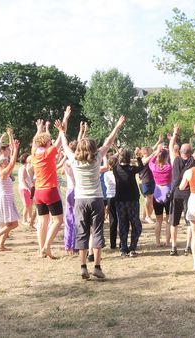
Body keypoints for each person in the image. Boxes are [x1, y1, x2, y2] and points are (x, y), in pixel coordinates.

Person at [57, 115, 125, 280]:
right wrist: (117, 126)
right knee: (97, 232)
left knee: (82, 232)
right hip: (96, 200)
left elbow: (65, 145)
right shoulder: (97, 159)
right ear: (94, 148)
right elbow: (108, 141)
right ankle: (97, 267)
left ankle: (82, 267)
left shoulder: (73, 160)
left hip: (80, 200)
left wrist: (61, 132)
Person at [31, 106, 71, 258]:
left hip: (39, 192)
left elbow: (35, 143)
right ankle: (46, 247)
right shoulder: (48, 153)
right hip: (50, 190)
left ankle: (42, 249)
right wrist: (65, 121)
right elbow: (61, 139)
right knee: (58, 220)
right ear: (47, 142)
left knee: (42, 222)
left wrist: (39, 129)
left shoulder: (35, 153)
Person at [168, 124, 195, 256]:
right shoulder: (194, 161)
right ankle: (188, 246)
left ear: (181, 152)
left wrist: (175, 133)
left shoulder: (175, 159)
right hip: (189, 194)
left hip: (176, 193)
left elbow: (171, 146)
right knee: (189, 221)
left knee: (174, 222)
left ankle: (173, 247)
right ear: (191, 153)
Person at [0, 139, 21, 251]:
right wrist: (16, 149)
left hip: (7, 198)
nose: (7, 163)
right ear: (1, 165)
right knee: (14, 224)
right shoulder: (2, 173)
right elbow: (12, 163)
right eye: (5, 162)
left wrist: (13, 149)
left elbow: (11, 162)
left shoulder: (4, 173)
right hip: (5, 199)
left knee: (9, 224)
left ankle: (2, 245)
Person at [113, 148, 145, 257]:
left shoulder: (115, 169)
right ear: (128, 159)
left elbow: (112, 160)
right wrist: (138, 157)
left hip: (120, 200)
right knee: (136, 224)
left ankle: (123, 248)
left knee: (122, 224)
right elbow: (141, 167)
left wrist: (117, 153)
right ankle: (132, 248)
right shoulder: (131, 169)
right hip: (132, 200)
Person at [148, 141, 172, 247]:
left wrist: (157, 152)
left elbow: (151, 160)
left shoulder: (154, 167)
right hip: (167, 192)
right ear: (167, 157)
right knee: (168, 220)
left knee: (158, 221)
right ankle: (167, 242)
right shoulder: (169, 168)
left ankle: (157, 242)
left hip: (157, 194)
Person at [103, 155, 118, 249]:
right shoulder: (117, 173)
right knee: (120, 220)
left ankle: (113, 244)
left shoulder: (106, 174)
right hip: (117, 196)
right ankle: (121, 243)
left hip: (110, 197)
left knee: (113, 221)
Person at [17, 153, 36, 228]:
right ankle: (24, 220)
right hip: (24, 189)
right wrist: (28, 188)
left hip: (29, 188)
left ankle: (29, 218)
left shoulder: (28, 167)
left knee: (30, 204)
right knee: (27, 205)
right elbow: (22, 180)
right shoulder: (23, 168)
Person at [139, 146, 156, 224]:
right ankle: (148, 216)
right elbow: (145, 162)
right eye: (147, 150)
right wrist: (154, 153)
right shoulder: (142, 159)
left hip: (151, 180)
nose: (149, 150)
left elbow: (153, 150)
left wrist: (159, 142)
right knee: (148, 199)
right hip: (145, 181)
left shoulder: (150, 158)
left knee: (150, 199)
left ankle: (144, 217)